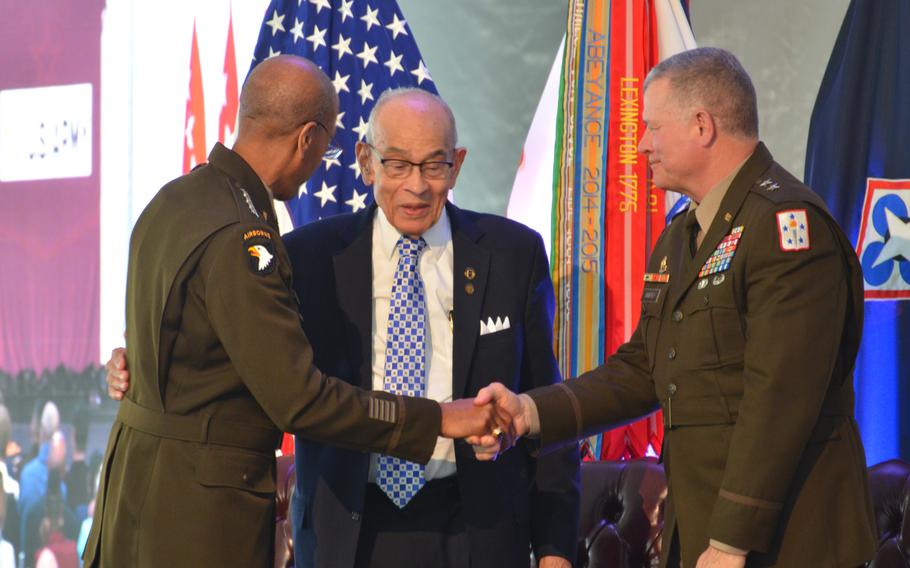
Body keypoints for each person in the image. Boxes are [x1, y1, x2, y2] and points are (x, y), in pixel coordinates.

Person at [106, 88, 580, 568]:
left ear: (456, 165)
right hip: (347, 534)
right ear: (365, 162)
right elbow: (250, 364)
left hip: (478, 531)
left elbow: (546, 403)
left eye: (433, 166)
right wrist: (138, 365)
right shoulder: (308, 257)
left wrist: (556, 547)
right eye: (397, 164)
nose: (416, 186)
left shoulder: (513, 254)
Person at [475, 47, 877, 568]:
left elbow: (780, 397)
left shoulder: (786, 228)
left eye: (652, 128)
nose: (641, 145)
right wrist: (531, 411)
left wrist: (732, 539)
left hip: (787, 539)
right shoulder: (681, 236)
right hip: (705, 529)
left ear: (702, 125)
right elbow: (644, 368)